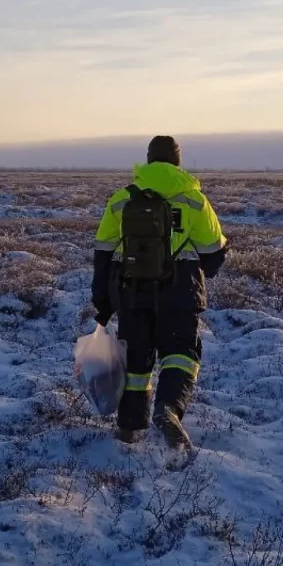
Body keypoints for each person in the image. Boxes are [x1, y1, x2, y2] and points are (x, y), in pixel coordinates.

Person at [91, 135, 228, 449]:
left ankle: (128, 429)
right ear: (178, 162)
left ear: (149, 160)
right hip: (180, 289)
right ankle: (168, 408)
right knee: (181, 353)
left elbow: (103, 248)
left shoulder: (123, 198)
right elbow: (212, 252)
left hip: (131, 290)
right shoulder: (194, 200)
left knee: (136, 359)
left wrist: (102, 296)